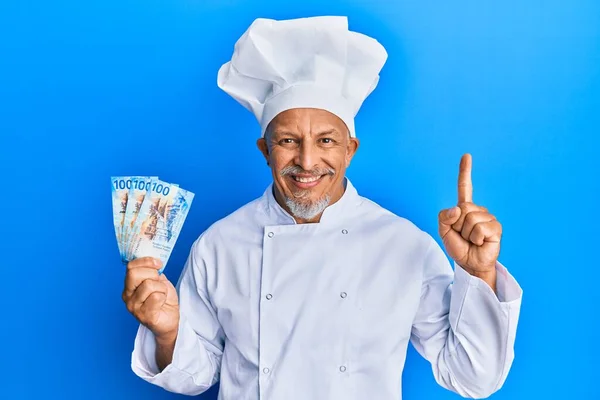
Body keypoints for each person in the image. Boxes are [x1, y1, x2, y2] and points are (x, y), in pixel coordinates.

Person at [122, 16, 523, 399]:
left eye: (327, 141)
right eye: (288, 141)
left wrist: (479, 272)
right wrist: (169, 332)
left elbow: (474, 377)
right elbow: (198, 376)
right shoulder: (219, 244)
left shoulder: (404, 246)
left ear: (351, 149)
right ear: (265, 150)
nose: (308, 161)